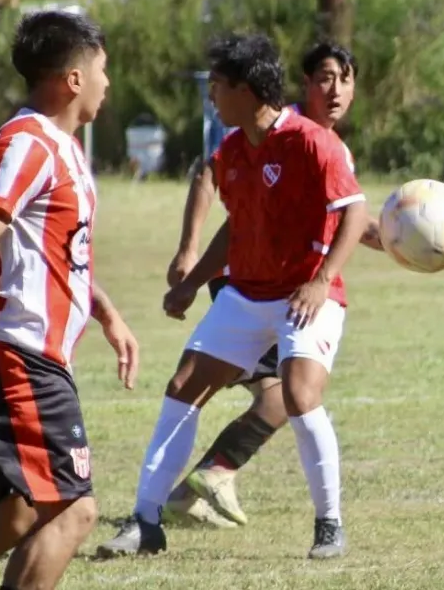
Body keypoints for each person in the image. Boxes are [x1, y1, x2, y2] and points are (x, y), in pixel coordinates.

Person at [96, 32, 368, 561]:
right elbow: (237, 226)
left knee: (297, 394)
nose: (212, 97)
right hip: (245, 294)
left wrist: (321, 279)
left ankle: (329, 524)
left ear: (246, 89)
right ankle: (146, 521)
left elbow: (354, 213)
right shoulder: (236, 148)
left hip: (306, 293)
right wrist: (193, 281)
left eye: (218, 86)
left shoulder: (313, 141)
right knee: (183, 385)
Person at [162, 41, 381, 530]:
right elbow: (208, 173)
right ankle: (201, 481)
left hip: (272, 286)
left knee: (283, 392)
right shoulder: (274, 126)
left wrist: (403, 240)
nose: (337, 89)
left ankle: (195, 486)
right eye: (325, 77)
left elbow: (347, 218)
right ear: (304, 84)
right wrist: (189, 248)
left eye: (346, 79)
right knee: (288, 392)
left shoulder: (325, 143)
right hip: (246, 285)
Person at [0, 10, 139, 589]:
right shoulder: (28, 142)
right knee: (73, 507)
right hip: (18, 355)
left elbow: (54, 256)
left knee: (17, 514)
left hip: (34, 356)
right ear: (72, 79)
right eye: (102, 70)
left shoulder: (63, 149)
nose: (107, 82)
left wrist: (107, 313)